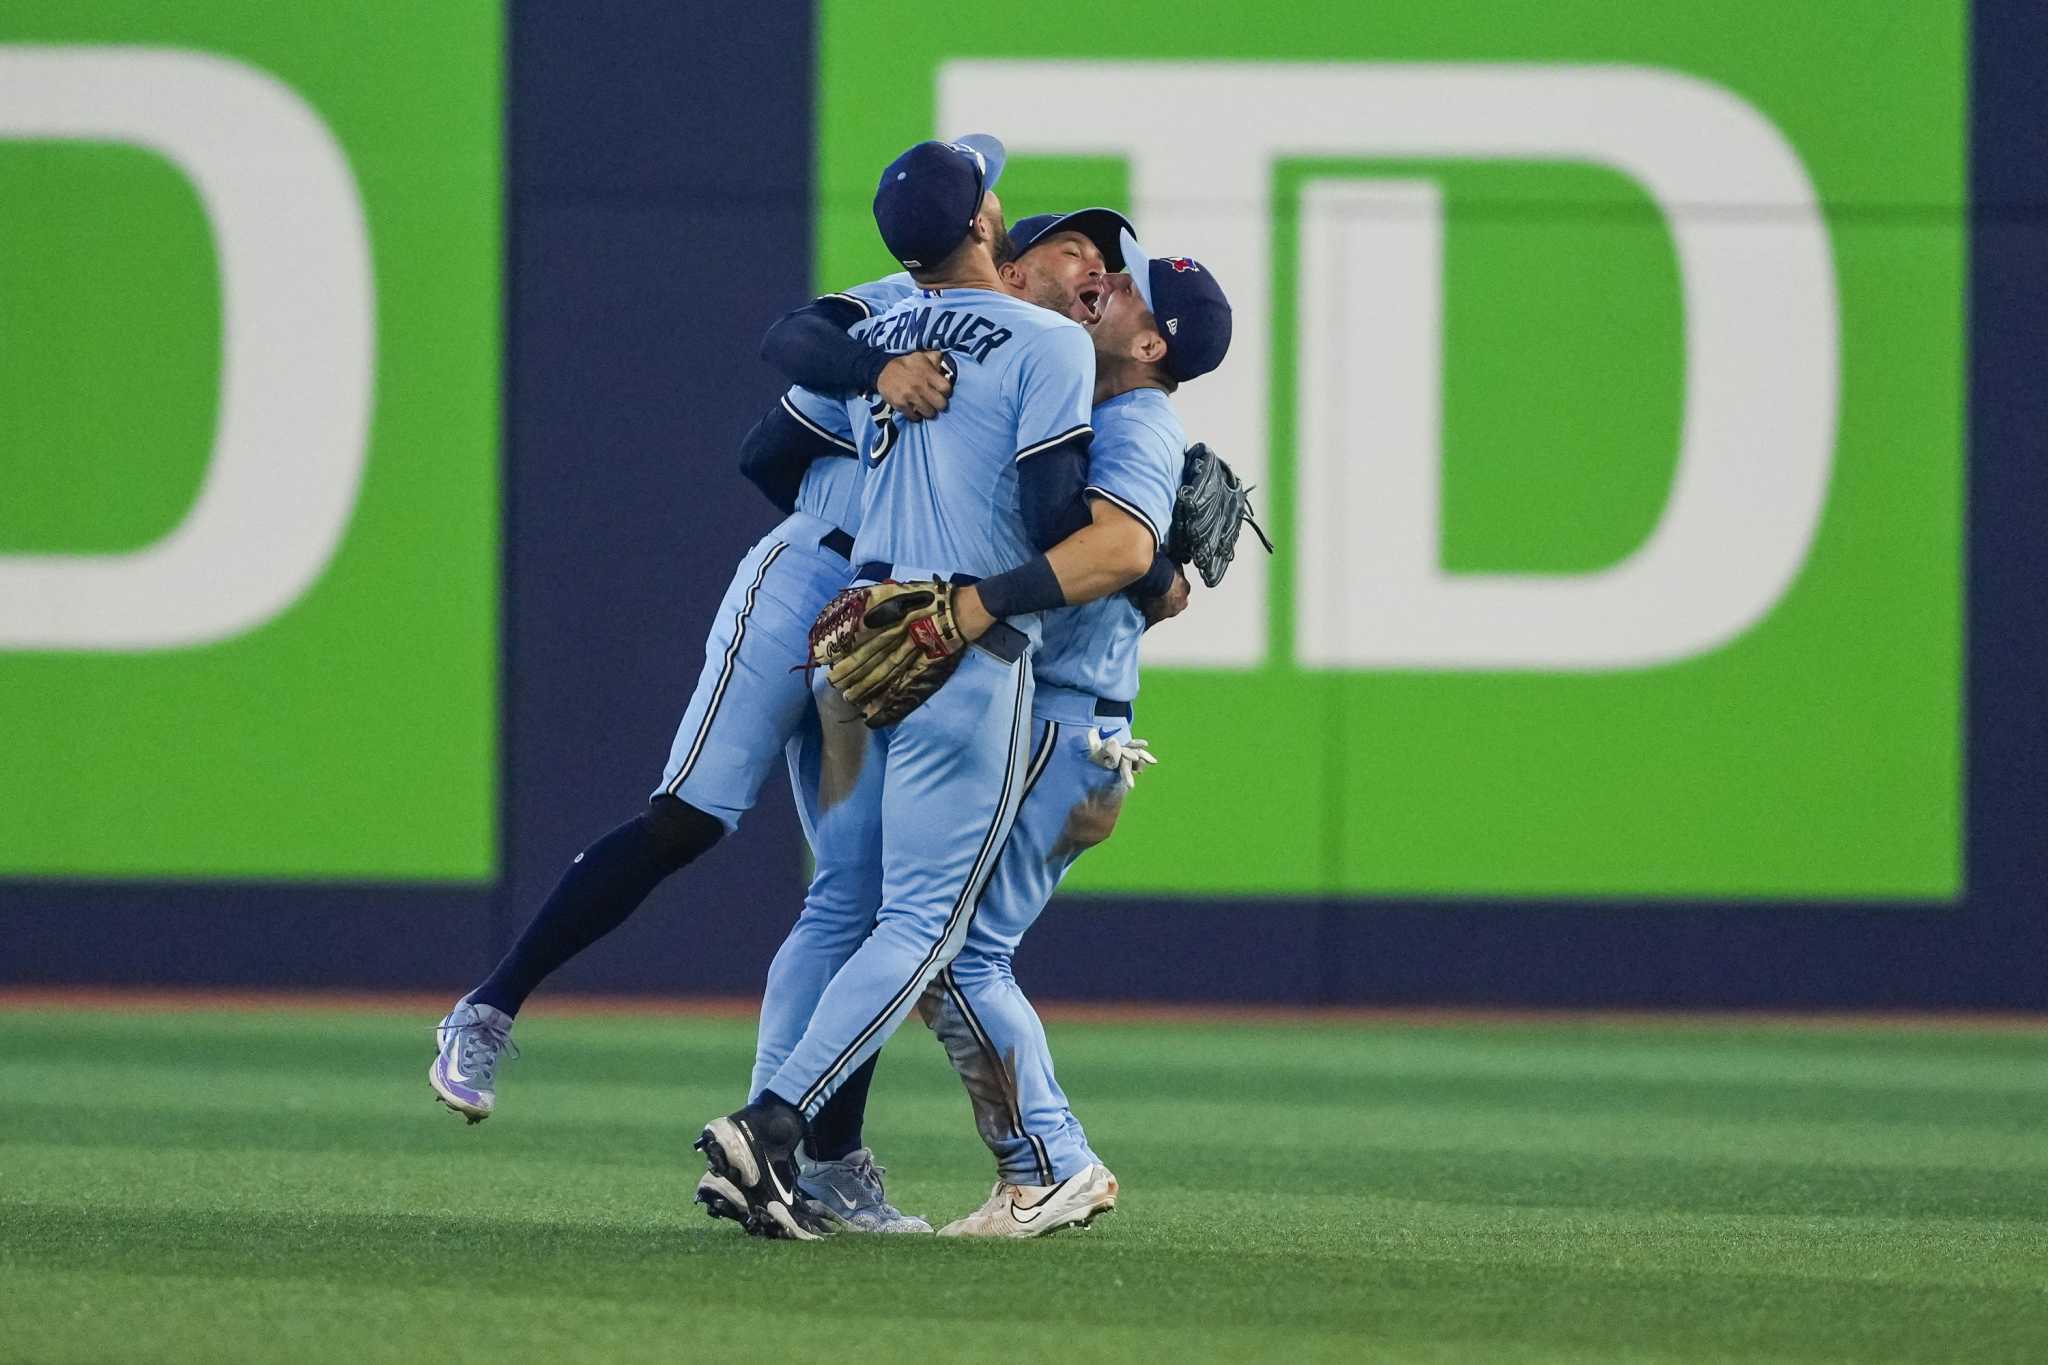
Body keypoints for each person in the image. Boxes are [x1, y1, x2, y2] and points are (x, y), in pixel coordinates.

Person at [694, 137, 1180, 1241]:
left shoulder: (881, 330)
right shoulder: (1048, 344)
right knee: (923, 926)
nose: (1088, 273)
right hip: (956, 646)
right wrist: (1144, 563)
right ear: (989, 226)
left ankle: (796, 1161)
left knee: (842, 902)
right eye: (1070, 249)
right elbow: (1063, 519)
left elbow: (769, 429)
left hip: (858, 629)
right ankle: (775, 1128)